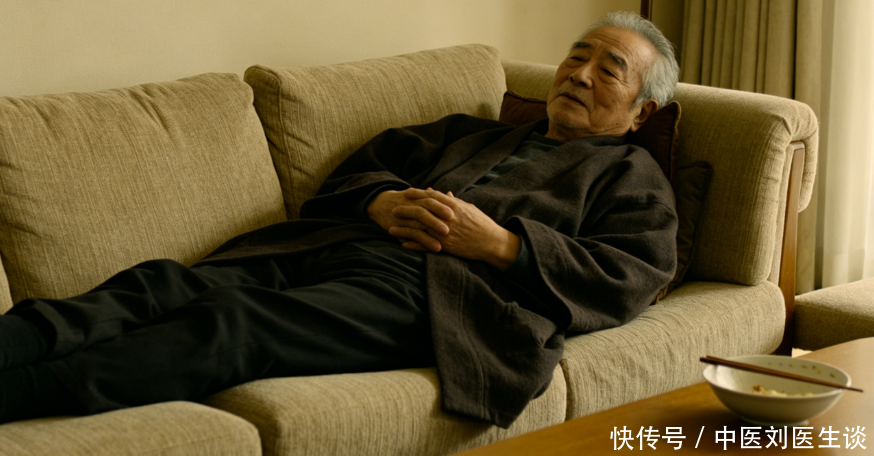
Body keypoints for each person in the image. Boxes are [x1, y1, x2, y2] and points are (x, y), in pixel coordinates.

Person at [0, 11, 679, 428]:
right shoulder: (469, 132)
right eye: (577, 56)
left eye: (609, 69)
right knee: (158, 284)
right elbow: (361, 172)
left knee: (237, 323)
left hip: (437, 293)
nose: (579, 74)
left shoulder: (631, 175)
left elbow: (632, 275)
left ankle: (21, 393)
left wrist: (499, 244)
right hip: (342, 240)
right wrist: (379, 201)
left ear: (640, 111)